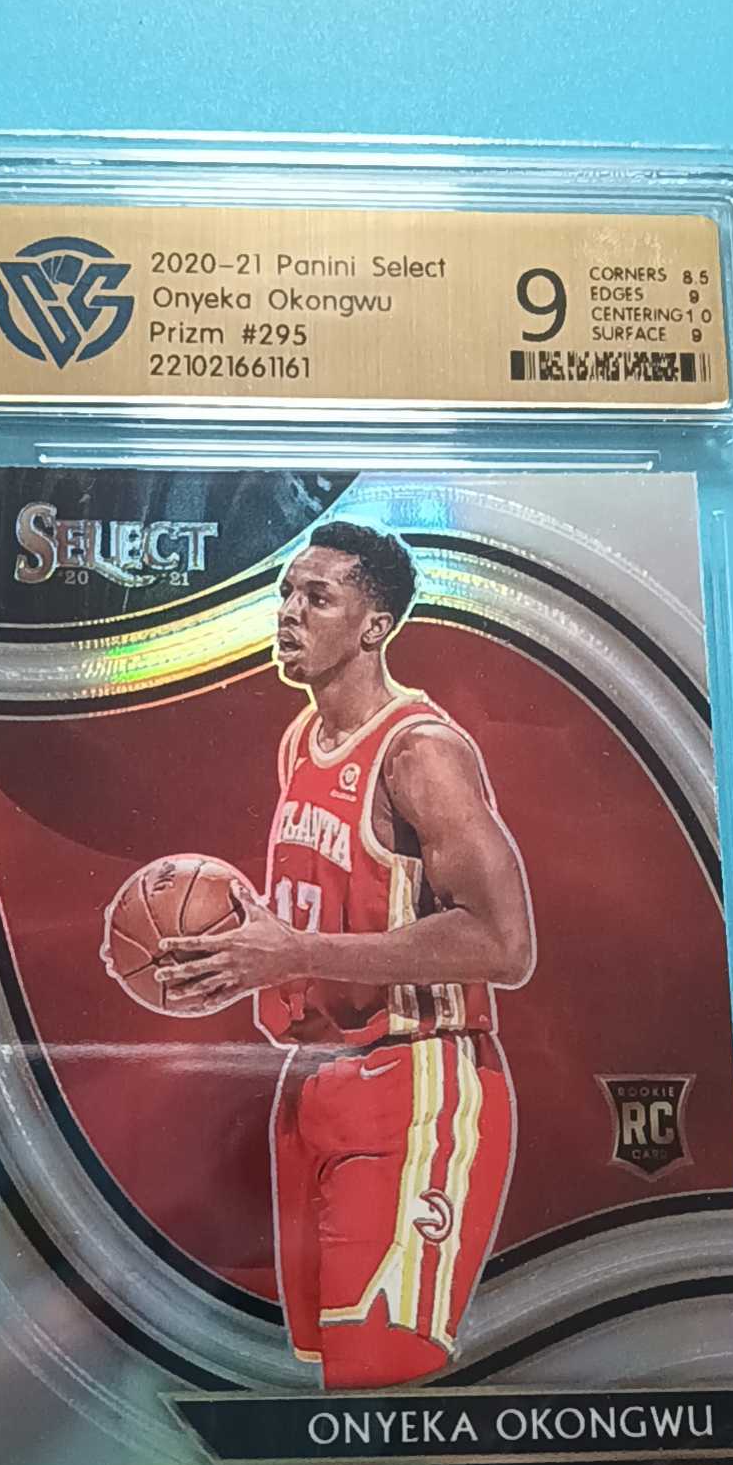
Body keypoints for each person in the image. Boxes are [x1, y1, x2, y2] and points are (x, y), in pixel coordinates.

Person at [159, 521, 535, 1388]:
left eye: (317, 597)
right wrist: (226, 949)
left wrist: (294, 949)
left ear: (374, 626)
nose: (289, 612)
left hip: (415, 1081)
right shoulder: (301, 738)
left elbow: (504, 941)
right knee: (319, 1390)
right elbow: (328, 911)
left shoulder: (420, 752)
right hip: (311, 1080)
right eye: (285, 593)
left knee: (381, 1385)